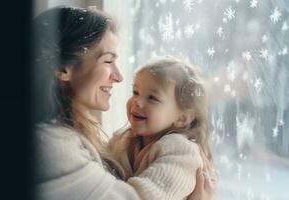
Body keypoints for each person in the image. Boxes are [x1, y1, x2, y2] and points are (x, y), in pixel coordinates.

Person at [33, 6, 216, 200]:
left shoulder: (177, 149)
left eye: (153, 97)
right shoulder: (51, 145)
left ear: (182, 117)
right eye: (107, 61)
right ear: (63, 68)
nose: (119, 77)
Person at [108, 56, 216, 199]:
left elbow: (144, 197)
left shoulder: (182, 151)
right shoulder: (123, 140)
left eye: (152, 98)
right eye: (135, 92)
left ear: (181, 118)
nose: (137, 102)